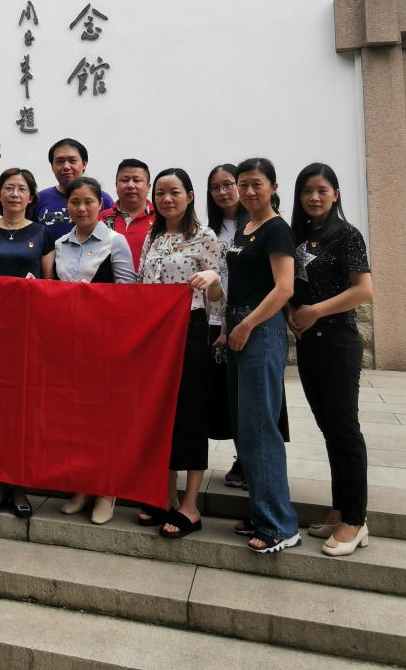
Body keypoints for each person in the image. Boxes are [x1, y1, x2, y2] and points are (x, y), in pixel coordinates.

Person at [290, 163, 372, 557]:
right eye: (307, 190)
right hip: (310, 343)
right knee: (329, 429)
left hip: (338, 341)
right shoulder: (302, 236)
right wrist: (294, 313)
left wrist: (315, 311)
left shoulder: (346, 234)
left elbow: (364, 290)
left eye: (322, 190)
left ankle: (356, 520)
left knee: (344, 429)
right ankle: (341, 509)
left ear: (335, 193)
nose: (314, 197)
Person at [139, 169, 222, 537]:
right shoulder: (152, 236)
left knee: (190, 412)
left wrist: (213, 280)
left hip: (190, 328)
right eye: (160, 193)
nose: (167, 199)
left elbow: (218, 295)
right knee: (162, 412)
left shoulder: (205, 236)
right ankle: (166, 494)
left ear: (190, 196)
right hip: (156, 332)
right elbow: (142, 284)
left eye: (174, 192)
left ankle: (190, 504)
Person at [0, 167, 55, 518]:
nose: (15, 194)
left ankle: (19, 484)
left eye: (22, 188)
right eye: (9, 188)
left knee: (22, 411)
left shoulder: (42, 233)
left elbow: (51, 285)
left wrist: (38, 287)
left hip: (27, 334)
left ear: (31, 196)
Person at [225, 157, 300, 554]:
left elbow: (284, 288)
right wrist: (229, 328)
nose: (249, 191)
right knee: (245, 428)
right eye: (243, 184)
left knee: (259, 427)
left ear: (273, 186)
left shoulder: (276, 229)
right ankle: (261, 511)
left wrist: (247, 325)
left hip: (261, 330)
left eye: (257, 184)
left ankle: (280, 526)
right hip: (240, 327)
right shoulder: (245, 228)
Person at [54, 176, 135, 524]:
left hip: (105, 343)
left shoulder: (116, 242)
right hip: (69, 343)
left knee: (105, 419)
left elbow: (129, 293)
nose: (82, 208)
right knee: (77, 418)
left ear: (100, 205)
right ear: (67, 206)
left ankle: (107, 490)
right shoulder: (60, 243)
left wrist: (96, 295)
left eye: (89, 201)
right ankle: (83, 486)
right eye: (75, 202)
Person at [205, 164, 249, 489]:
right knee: (226, 395)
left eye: (228, 184)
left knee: (249, 395)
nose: (222, 192)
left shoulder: (257, 225)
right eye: (215, 187)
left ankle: (250, 460)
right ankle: (241, 456)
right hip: (214, 319)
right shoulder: (209, 230)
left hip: (247, 319)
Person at [37, 138, 113, 240]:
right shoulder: (39, 199)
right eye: (60, 161)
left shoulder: (102, 198)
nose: (66, 167)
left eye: (72, 161)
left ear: (84, 164)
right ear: (52, 166)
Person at [100, 158, 154, 271]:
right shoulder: (100, 219)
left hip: (149, 282)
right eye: (125, 180)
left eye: (137, 180)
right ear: (116, 185)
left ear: (148, 187)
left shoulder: (162, 219)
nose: (130, 185)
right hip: (109, 282)